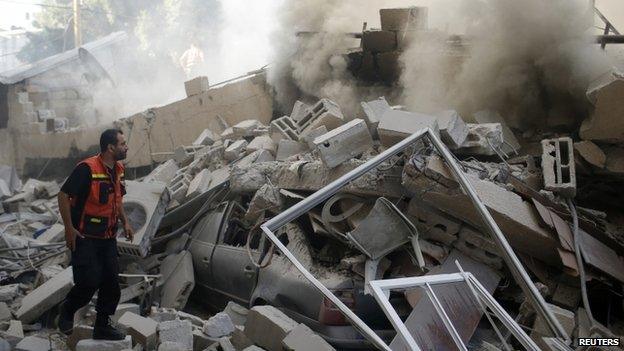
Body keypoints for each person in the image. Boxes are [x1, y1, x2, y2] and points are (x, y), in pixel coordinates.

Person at [56, 129, 134, 340]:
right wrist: (68, 228)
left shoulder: (117, 169)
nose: (126, 147)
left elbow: (116, 200)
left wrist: (125, 222)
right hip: (84, 237)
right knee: (89, 281)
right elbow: (63, 195)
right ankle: (68, 309)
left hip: (107, 238)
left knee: (111, 284)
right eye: (123, 144)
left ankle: (103, 327)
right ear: (110, 147)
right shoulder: (87, 169)